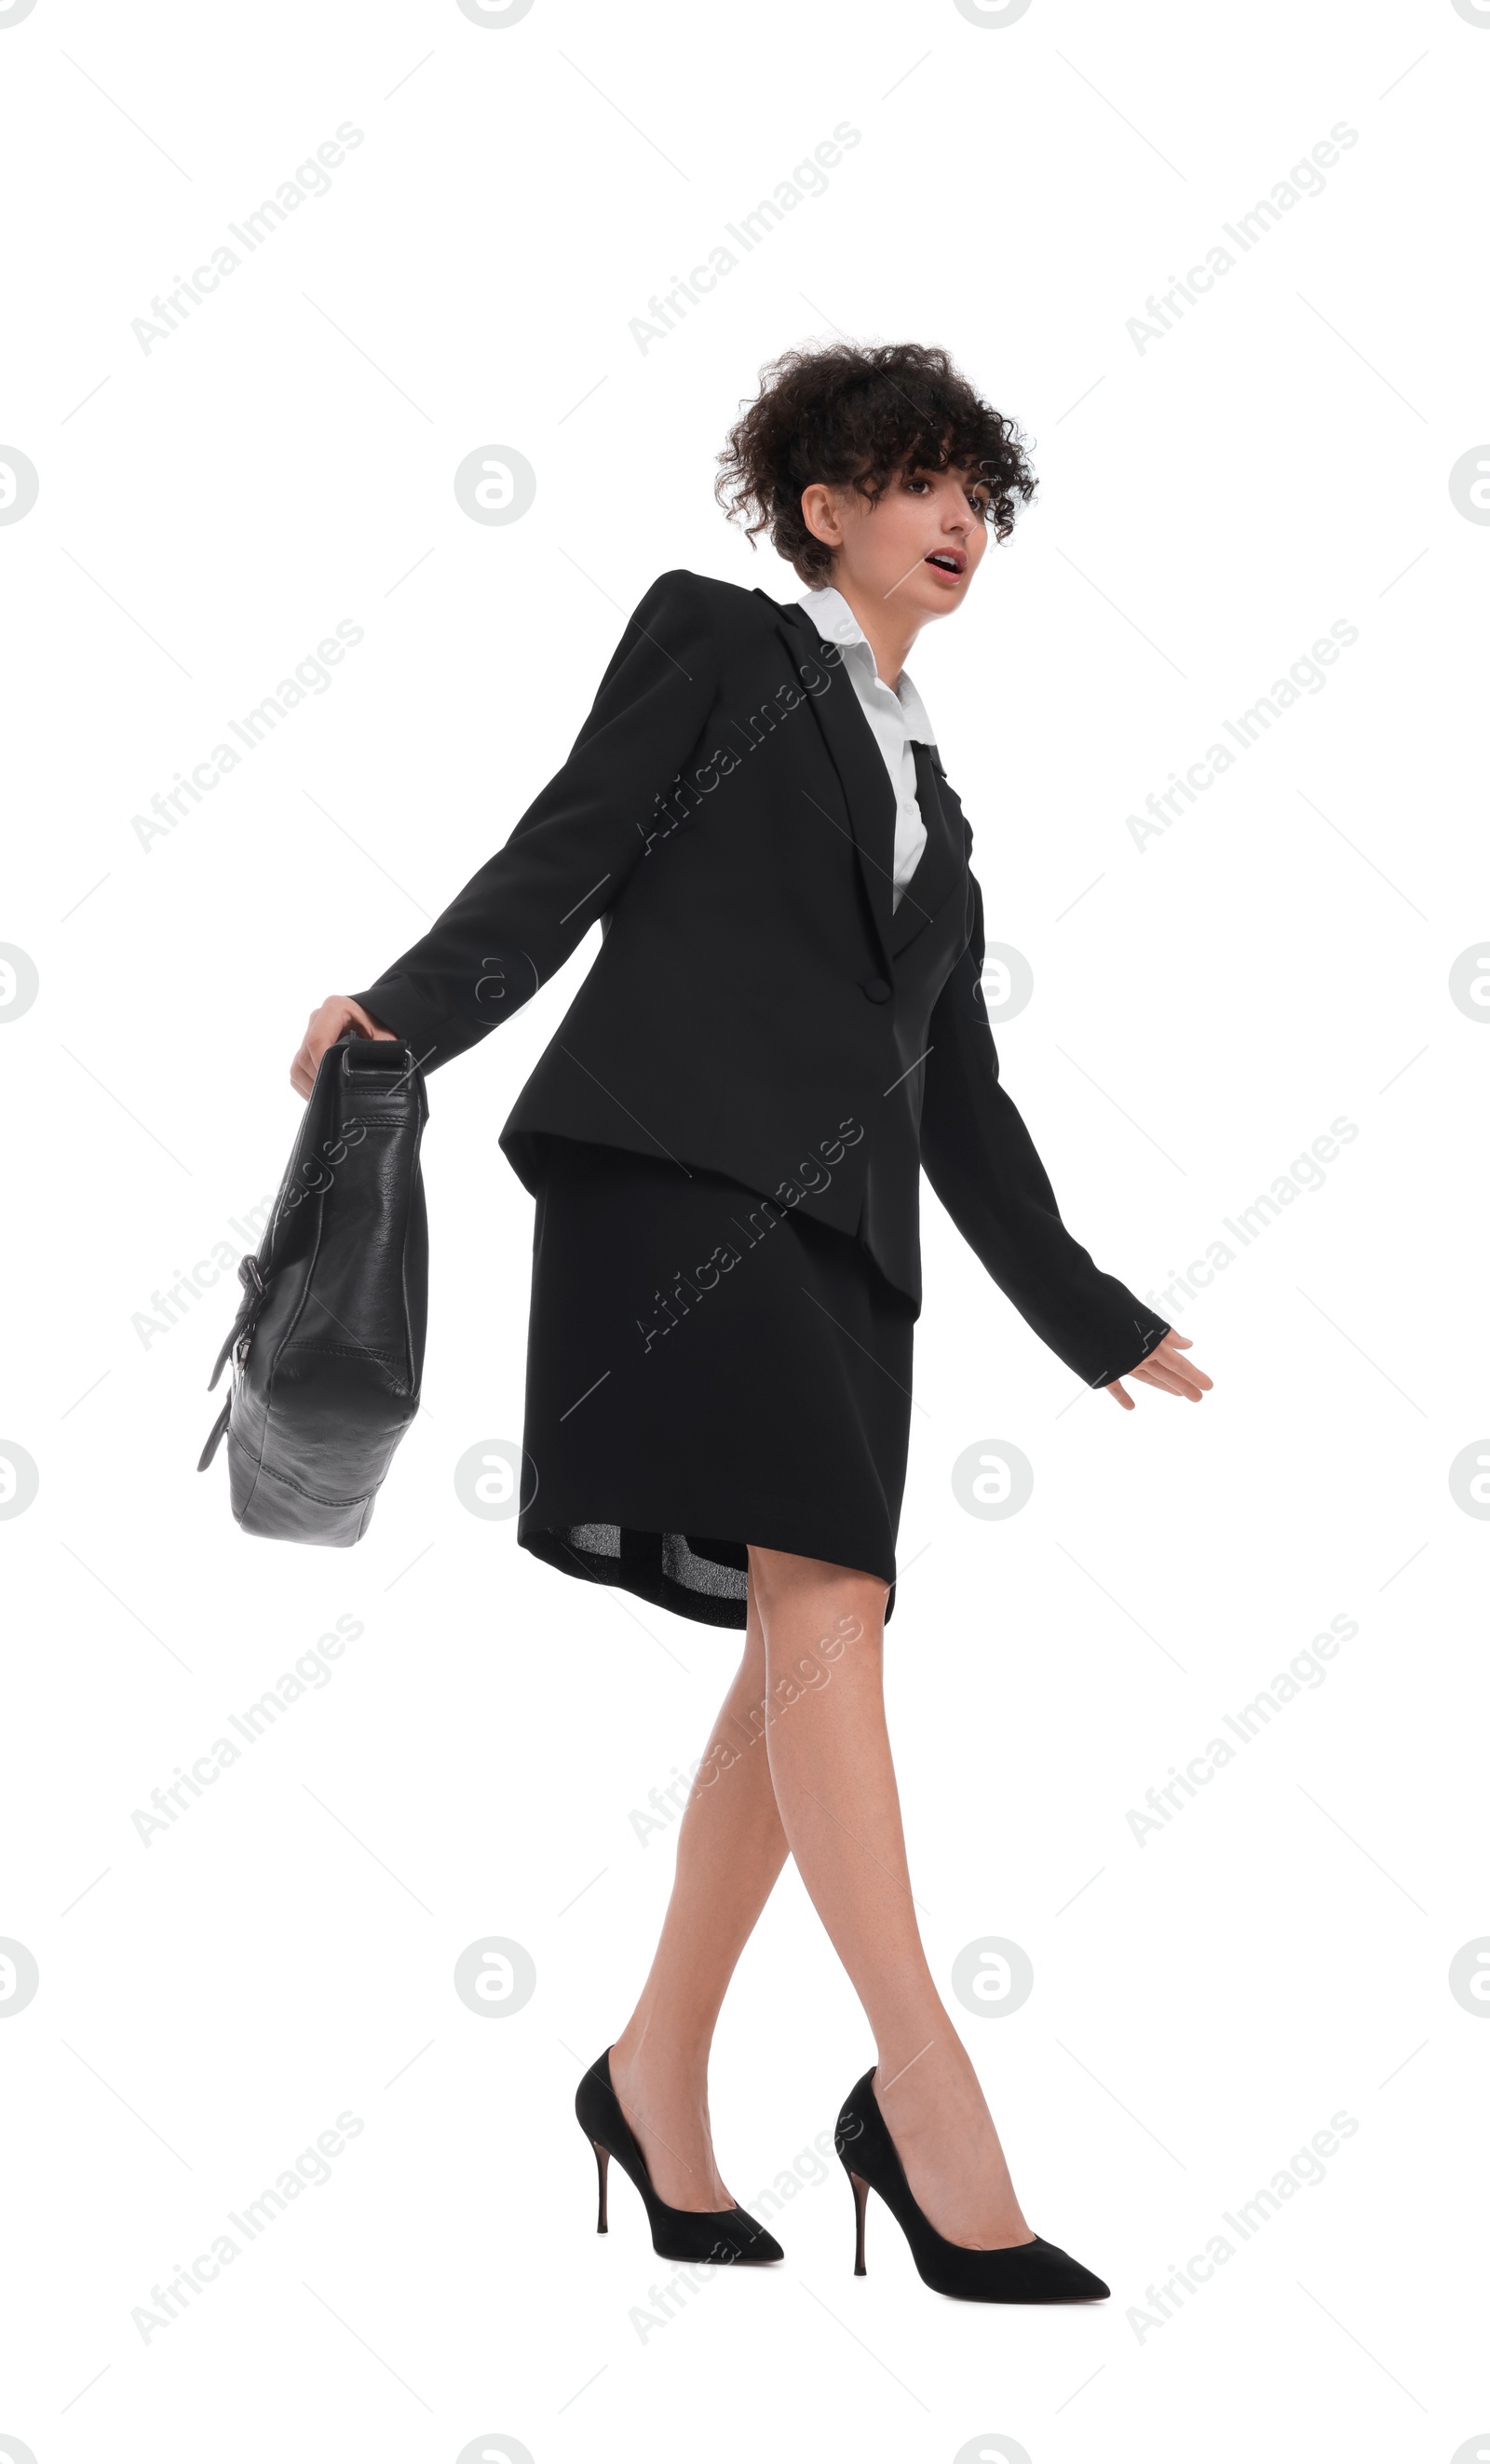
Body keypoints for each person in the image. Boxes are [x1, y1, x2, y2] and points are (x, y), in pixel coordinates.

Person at [291, 341, 1212, 2303]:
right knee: (819, 1611)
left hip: (845, 1252)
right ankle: (928, 2094)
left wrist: (1089, 1315)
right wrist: (401, 1013)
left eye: (981, 494)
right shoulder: (716, 640)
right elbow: (572, 846)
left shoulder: (934, 805)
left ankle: (650, 2074)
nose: (959, 520)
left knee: (805, 1644)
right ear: (824, 506)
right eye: (918, 483)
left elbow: (952, 1094)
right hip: (678, 1184)